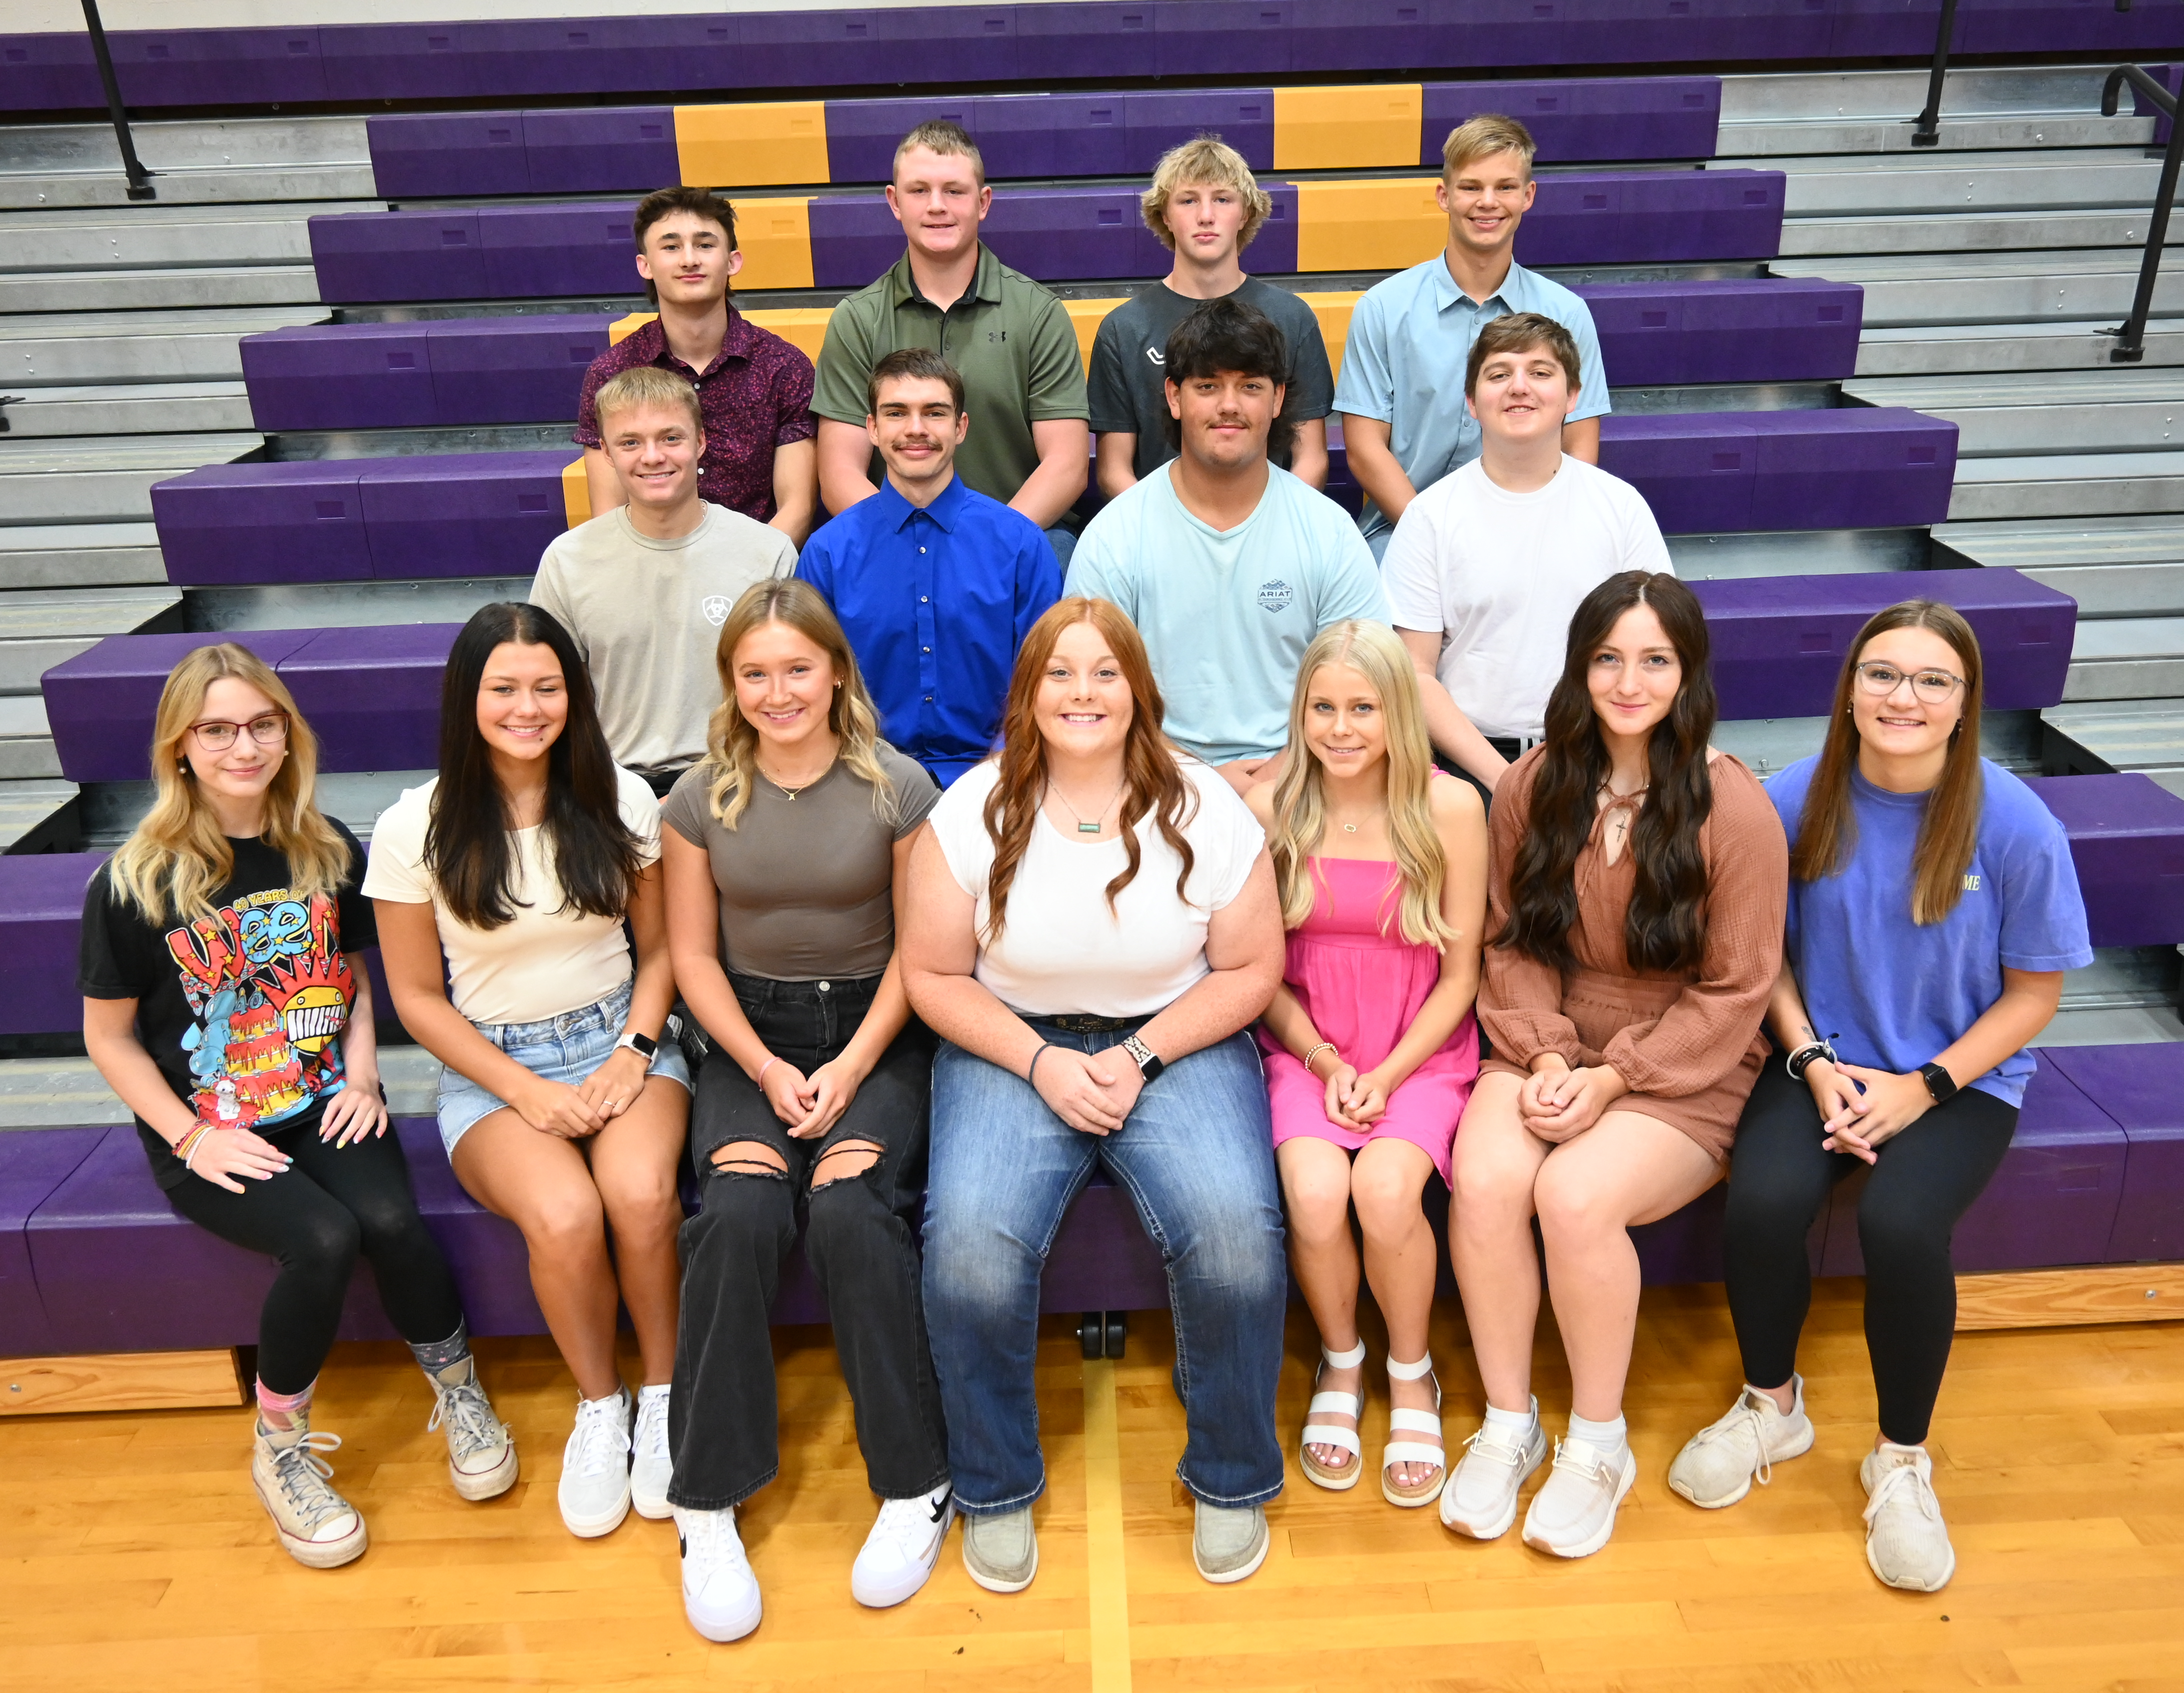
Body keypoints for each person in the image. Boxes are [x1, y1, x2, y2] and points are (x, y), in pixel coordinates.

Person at [1668, 601, 2091, 1593]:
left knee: (1902, 1225)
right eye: (1882, 675)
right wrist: (1814, 1064)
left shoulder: (2015, 823)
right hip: (1820, 1058)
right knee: (1765, 1198)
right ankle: (1772, 1407)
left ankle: (1899, 1460)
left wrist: (1922, 1088)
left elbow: (2034, 995)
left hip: (1957, 1077)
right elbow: (1758, 958)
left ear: (1962, 703)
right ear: (1849, 691)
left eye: (1930, 680)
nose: (1903, 696)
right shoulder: (1788, 801)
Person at [79, 644, 514, 1570]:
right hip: (212, 1127)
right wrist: (192, 1136)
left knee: (393, 1218)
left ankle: (460, 1387)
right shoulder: (134, 879)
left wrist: (363, 1075)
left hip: (323, 1099)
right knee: (323, 1236)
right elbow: (110, 1038)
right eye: (218, 728)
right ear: (181, 746)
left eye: (262, 724)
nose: (244, 744)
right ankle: (279, 1446)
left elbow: (351, 977)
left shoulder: (323, 846)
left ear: (288, 735)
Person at [903, 596, 1289, 1590]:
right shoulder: (969, 811)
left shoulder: (1203, 806)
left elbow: (1250, 969)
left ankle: (1231, 1474)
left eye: (1104, 673)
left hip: (1176, 1038)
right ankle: (991, 1488)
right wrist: (1040, 1062)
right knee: (968, 1253)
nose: (1082, 692)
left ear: (1138, 690)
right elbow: (933, 976)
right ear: (1028, 693)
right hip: (1012, 1045)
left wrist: (1143, 1056)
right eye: (1060, 673)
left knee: (1236, 1236)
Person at [1444, 571, 1786, 1559]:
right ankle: (1510, 1423)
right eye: (1606, 658)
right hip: (1542, 1030)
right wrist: (1548, 1051)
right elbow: (1506, 946)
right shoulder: (1529, 782)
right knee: (1487, 1176)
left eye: (1653, 660)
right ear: (1577, 666)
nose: (1627, 680)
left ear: (1686, 674)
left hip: (1685, 1056)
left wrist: (1610, 1077)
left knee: (1577, 1197)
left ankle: (1597, 1445)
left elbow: (1735, 988)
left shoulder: (1733, 805)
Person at [659, 580, 951, 1641]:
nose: (778, 691)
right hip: (750, 1035)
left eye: (797, 668)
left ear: (834, 672)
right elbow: (691, 956)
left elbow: (923, 959)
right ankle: (706, 1497)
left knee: (845, 1207)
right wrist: (765, 1067)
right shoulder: (699, 798)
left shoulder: (899, 788)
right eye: (755, 674)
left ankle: (915, 1480)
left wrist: (849, 1065)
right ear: (731, 689)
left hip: (880, 1028)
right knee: (736, 1212)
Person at [367, 602, 691, 1543]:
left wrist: (634, 1051)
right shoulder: (412, 824)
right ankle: (603, 1404)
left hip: (620, 1036)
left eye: (546, 686)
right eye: (504, 688)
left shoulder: (622, 796)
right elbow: (419, 1000)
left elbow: (663, 951)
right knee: (563, 1212)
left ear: (573, 695)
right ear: (468, 699)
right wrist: (525, 1089)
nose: (527, 706)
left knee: (636, 1191)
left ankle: (666, 1398)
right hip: (492, 1062)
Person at [1069, 296, 1500, 793]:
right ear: (1174, 396)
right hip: (1153, 780)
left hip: (1303, 781)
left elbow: (1367, 685)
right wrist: (1196, 777)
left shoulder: (1328, 531)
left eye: (1249, 387)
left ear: (1277, 400)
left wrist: (1284, 772)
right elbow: (1092, 695)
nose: (1229, 405)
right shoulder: (1115, 535)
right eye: (1207, 387)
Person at [1249, 621, 1486, 1508]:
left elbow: (1462, 975)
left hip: (1416, 1049)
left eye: (1363, 707)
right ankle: (1342, 1359)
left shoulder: (1452, 806)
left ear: (1398, 714)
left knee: (1387, 1190)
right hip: (1306, 1044)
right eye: (1323, 706)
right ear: (1299, 710)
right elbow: (1257, 970)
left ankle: (1411, 1366)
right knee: (1313, 1191)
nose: (1341, 727)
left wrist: (1384, 1076)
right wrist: (1320, 1056)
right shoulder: (1272, 806)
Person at [1386, 313, 1672, 797]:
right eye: (1499, 374)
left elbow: (1659, 653)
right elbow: (1414, 674)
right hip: (1467, 769)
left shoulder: (1620, 507)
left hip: (1599, 760)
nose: (1519, 387)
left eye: (1540, 373)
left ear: (1573, 396)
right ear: (1472, 403)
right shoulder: (1429, 516)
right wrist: (1505, 781)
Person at [811, 121, 1090, 563]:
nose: (937, 206)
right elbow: (839, 471)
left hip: (1008, 537)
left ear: (982, 203)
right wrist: (911, 548)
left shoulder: (1039, 313)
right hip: (894, 542)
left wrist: (984, 544)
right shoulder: (858, 319)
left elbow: (1067, 465)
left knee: (1056, 550)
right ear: (894, 202)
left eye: (954, 192)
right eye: (919, 191)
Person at [1335, 114, 1611, 560]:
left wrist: (1538, 530)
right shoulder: (1384, 308)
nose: (1488, 202)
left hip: (1533, 531)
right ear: (1444, 196)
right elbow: (1365, 450)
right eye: (1471, 187)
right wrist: (1434, 540)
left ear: (1528, 196)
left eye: (1505, 187)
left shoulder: (1567, 313)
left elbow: (1579, 444)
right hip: (1406, 529)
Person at [796, 348, 1061, 787]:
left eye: (934, 413)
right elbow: (812, 684)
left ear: (960, 428)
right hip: (863, 781)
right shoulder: (827, 553)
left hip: (998, 778)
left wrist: (997, 774)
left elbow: (1045, 674)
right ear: (873, 429)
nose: (915, 430)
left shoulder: (1020, 544)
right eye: (897, 413)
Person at [534, 364, 796, 796]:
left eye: (671, 438)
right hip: (614, 790)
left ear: (701, 442)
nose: (653, 456)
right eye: (630, 442)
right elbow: (550, 697)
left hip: (740, 784)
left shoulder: (767, 553)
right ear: (606, 452)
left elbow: (790, 692)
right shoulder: (567, 561)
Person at [1090, 136, 1333, 497]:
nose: (1206, 216)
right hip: (1160, 535)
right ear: (1165, 216)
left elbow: (1310, 459)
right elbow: (1114, 469)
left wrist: (1268, 527)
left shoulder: (1292, 318)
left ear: (1245, 213)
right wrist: (1165, 533)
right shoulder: (1123, 329)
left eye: (1222, 199)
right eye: (1188, 201)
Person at [573, 185, 818, 543]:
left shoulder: (784, 367)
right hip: (651, 569)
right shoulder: (611, 373)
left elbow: (797, 508)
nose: (690, 259)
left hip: (758, 577)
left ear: (733, 260)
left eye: (705, 245)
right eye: (671, 247)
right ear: (646, 265)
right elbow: (609, 515)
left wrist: (743, 578)